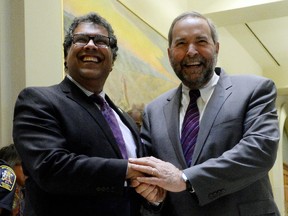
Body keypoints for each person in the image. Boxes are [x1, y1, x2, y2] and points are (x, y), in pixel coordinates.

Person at [129, 11, 280, 215]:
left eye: (201, 41)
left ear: (216, 48)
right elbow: (150, 174)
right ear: (170, 52)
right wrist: (154, 198)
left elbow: (259, 152)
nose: (191, 51)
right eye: (181, 43)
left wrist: (185, 179)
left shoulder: (255, 90)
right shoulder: (153, 111)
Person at [13, 12, 163, 216]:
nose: (91, 45)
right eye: (81, 39)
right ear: (66, 57)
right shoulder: (38, 100)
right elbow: (50, 168)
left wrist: (153, 198)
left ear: (112, 62)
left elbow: (139, 185)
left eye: (101, 41)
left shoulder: (125, 119)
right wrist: (126, 170)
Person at [0, 144, 26, 216]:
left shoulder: (23, 190)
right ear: (13, 163)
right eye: (25, 165)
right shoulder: (5, 174)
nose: (28, 171)